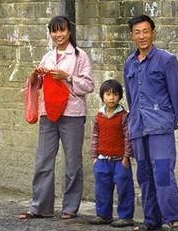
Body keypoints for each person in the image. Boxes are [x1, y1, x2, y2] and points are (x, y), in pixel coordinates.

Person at [19, 15, 95, 220]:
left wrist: (67, 76)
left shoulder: (80, 56)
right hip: (48, 113)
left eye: (62, 30)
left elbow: (89, 85)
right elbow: (37, 85)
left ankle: (70, 207)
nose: (58, 35)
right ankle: (39, 207)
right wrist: (35, 75)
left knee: (72, 162)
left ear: (69, 32)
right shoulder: (48, 56)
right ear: (50, 33)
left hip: (72, 113)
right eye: (54, 31)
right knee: (43, 160)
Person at [123, 15, 178, 231]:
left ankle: (173, 218)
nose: (142, 36)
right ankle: (152, 220)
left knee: (162, 173)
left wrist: (168, 120)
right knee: (145, 176)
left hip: (160, 127)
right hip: (138, 128)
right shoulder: (129, 63)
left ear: (153, 33)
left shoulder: (166, 60)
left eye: (146, 31)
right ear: (132, 35)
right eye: (137, 32)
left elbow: (177, 95)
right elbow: (131, 97)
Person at [89, 79, 135, 227]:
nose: (111, 98)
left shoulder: (124, 116)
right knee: (102, 189)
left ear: (120, 97)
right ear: (102, 96)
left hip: (120, 160)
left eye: (115, 94)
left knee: (124, 189)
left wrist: (126, 157)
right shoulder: (98, 116)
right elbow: (94, 137)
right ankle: (103, 215)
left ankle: (126, 216)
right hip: (102, 160)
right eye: (108, 94)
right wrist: (94, 157)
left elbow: (128, 137)